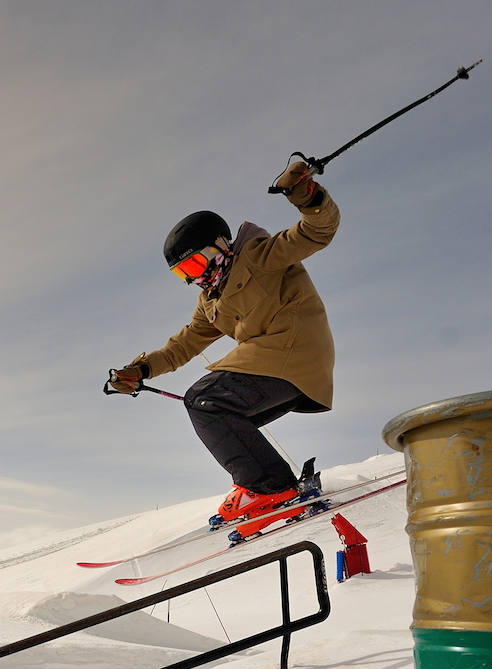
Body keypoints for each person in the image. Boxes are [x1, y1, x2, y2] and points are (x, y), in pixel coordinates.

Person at [106, 160, 340, 539]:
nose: (196, 276)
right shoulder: (211, 300)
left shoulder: (258, 255)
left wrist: (306, 195)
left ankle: (270, 487)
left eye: (197, 262)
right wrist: (142, 370)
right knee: (218, 412)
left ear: (220, 246)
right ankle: (261, 484)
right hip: (278, 364)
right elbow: (183, 345)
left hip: (293, 351)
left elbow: (316, 232)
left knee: (205, 399)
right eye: (185, 273)